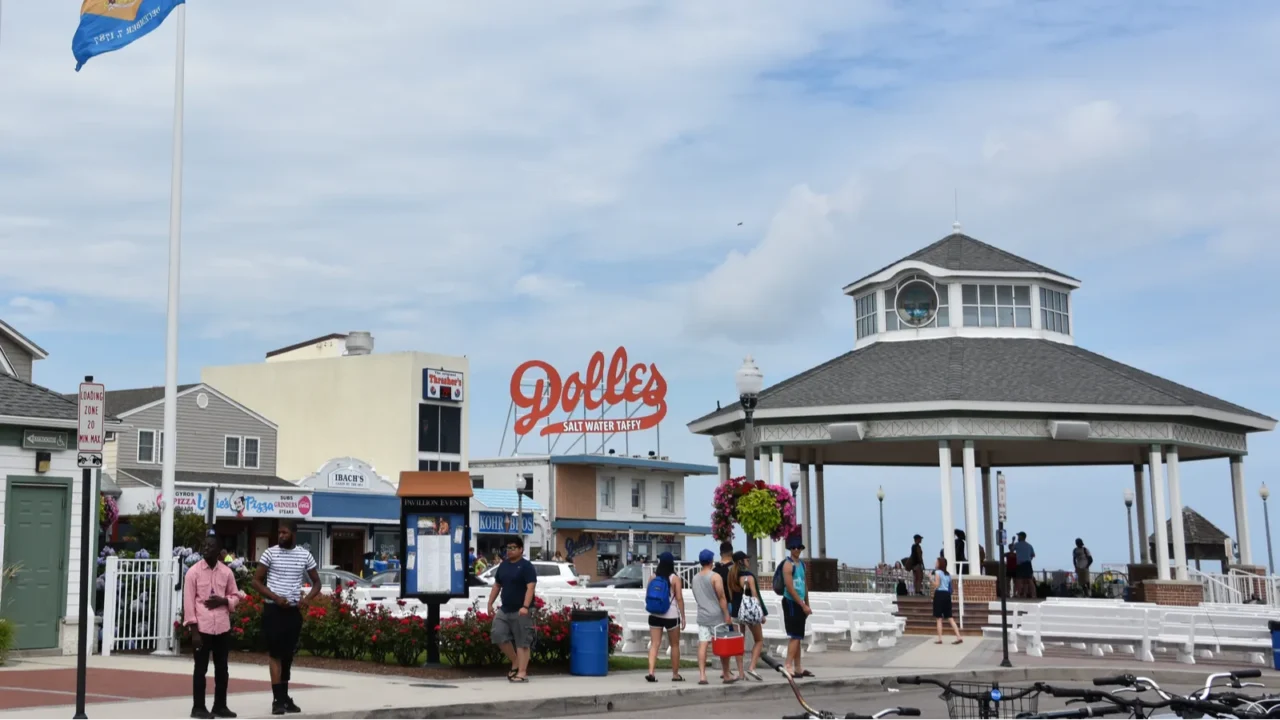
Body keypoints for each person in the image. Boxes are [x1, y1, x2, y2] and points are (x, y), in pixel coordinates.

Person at [251, 522, 320, 716]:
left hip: (292, 612)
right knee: (275, 654)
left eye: (284, 532)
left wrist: (306, 599)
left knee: (287, 655)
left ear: (293, 534)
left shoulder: (304, 555)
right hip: (273, 609)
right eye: (279, 532)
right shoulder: (270, 553)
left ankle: (285, 697)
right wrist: (274, 597)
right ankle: (277, 700)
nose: (281, 536)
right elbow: (256, 581)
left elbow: (317, 582)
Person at [185, 535, 242, 719]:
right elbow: (189, 603)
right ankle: (198, 708)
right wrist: (194, 632)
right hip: (202, 628)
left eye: (210, 545)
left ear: (219, 550)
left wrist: (223, 600)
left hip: (222, 627)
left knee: (222, 669)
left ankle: (220, 706)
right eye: (204, 545)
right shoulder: (193, 572)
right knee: (200, 669)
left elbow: (235, 596)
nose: (206, 548)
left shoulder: (226, 572)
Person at [488, 536, 537, 683]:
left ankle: (522, 672)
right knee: (498, 634)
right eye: (508, 548)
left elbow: (531, 587)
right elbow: (497, 585)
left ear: (521, 549)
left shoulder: (526, 566)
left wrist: (525, 606)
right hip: (505, 609)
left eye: (513, 548)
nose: (510, 551)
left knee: (522, 642)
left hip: (521, 610)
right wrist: (490, 603)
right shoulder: (503, 566)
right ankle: (515, 661)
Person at [691, 549, 733, 685]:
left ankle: (702, 675)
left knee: (703, 644)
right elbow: (721, 597)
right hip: (717, 616)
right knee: (723, 645)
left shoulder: (695, 578)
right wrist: (727, 614)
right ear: (711, 561)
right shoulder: (715, 577)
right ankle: (726, 674)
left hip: (702, 616)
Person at [644, 552, 685, 683]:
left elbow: (648, 595)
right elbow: (679, 598)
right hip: (671, 616)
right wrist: (683, 616)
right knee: (674, 645)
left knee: (654, 644)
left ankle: (651, 672)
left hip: (654, 614)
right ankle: (675, 674)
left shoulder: (652, 577)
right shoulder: (675, 578)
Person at [728, 551, 766, 681]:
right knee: (759, 640)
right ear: (742, 561)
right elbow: (755, 596)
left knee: (739, 643)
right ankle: (752, 667)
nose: (748, 562)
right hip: (749, 612)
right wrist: (761, 613)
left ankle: (741, 672)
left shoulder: (731, 576)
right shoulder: (749, 577)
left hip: (736, 613)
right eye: (747, 560)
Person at [780, 534, 813, 678]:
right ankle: (788, 664)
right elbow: (789, 587)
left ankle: (798, 666)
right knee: (794, 635)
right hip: (791, 602)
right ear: (790, 549)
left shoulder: (802, 565)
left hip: (800, 603)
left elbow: (804, 585)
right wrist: (801, 604)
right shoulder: (788, 565)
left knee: (799, 635)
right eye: (794, 547)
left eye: (799, 547)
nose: (797, 550)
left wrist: (807, 603)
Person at [712, 541, 744, 682]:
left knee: (724, 638)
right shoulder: (735, 569)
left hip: (719, 607)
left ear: (720, 553)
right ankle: (740, 671)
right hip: (733, 606)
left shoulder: (715, 569)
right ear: (731, 553)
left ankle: (725, 670)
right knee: (736, 638)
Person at [931, 557, 963, 645]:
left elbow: (936, 585)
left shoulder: (937, 572)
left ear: (939, 563)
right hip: (947, 595)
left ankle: (940, 638)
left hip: (939, 595)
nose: (935, 563)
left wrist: (930, 578)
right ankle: (958, 636)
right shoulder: (948, 574)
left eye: (936, 562)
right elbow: (950, 587)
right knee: (950, 617)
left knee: (939, 618)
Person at [1011, 532, 1035, 598]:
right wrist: (1029, 559)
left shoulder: (1017, 544)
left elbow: (1011, 550)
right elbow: (1033, 555)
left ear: (1021, 537)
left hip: (1020, 564)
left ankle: (1018, 594)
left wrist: (1013, 541)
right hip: (1028, 564)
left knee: (1019, 580)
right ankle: (1033, 594)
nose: (1018, 537)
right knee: (1029, 580)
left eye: (1019, 536)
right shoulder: (1029, 545)